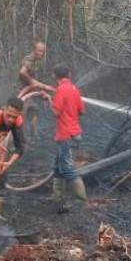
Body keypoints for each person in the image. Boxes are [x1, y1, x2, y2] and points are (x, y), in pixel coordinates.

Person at [43, 64, 87, 210]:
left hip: (66, 135)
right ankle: (57, 197)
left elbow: (55, 112)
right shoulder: (75, 89)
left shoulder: (61, 89)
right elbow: (82, 111)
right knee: (59, 166)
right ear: (68, 75)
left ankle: (82, 199)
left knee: (67, 167)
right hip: (75, 133)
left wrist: (50, 100)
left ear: (55, 76)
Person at [18, 41, 56, 138]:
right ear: (34, 50)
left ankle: (34, 135)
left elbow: (33, 80)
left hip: (29, 91)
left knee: (34, 111)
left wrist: (41, 87)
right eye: (39, 51)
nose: (41, 54)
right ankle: (20, 137)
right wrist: (32, 82)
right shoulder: (29, 60)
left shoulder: (34, 61)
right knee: (22, 114)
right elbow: (23, 72)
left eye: (43, 51)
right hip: (22, 91)